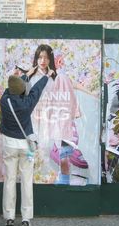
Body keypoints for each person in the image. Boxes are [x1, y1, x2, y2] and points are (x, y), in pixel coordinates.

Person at [24, 44, 88, 185]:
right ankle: (34, 183)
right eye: (40, 57)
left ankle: (63, 185)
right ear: (36, 58)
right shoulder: (32, 76)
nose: (43, 61)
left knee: (63, 158)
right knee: (36, 154)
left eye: (46, 58)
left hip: (56, 118)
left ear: (50, 59)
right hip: (37, 119)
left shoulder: (56, 75)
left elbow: (70, 87)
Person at [0, 67, 54, 226]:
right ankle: (26, 218)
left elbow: (12, 88)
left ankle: (9, 216)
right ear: (22, 90)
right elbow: (36, 90)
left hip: (9, 144)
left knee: (9, 180)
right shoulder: (27, 104)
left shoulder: (5, 100)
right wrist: (47, 76)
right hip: (26, 146)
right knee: (26, 180)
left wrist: (26, 75)